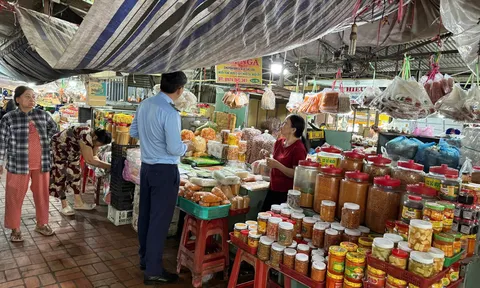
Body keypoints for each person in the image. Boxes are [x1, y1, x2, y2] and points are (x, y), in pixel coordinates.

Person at [130, 71, 193, 285]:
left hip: (147, 168)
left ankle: (145, 260)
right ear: (180, 89)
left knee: (147, 217)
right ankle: (153, 271)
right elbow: (175, 148)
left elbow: (134, 131)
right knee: (159, 222)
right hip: (165, 171)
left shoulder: (145, 104)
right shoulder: (170, 112)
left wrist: (151, 138)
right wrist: (188, 147)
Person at [0, 86, 58, 242]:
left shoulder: (43, 115)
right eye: (27, 96)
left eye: (33, 96)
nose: (32, 99)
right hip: (17, 164)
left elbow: (54, 128)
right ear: (18, 99)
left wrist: (45, 139)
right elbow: (2, 142)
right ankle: (15, 228)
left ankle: (42, 223)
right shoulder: (9, 118)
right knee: (14, 196)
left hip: (42, 164)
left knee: (42, 196)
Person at [49, 127, 112, 216]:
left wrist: (96, 149)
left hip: (72, 150)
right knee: (61, 174)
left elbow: (94, 155)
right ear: (95, 138)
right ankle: (64, 205)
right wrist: (110, 166)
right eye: (100, 144)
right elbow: (89, 160)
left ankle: (78, 203)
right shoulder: (85, 137)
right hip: (60, 147)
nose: (99, 146)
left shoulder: (93, 137)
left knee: (76, 173)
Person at [263, 114, 308, 211]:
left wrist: (277, 165)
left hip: (285, 193)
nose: (281, 125)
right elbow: (277, 161)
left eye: (285, 123)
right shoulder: (279, 142)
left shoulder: (298, 148)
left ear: (293, 130)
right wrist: (268, 156)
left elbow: (296, 174)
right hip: (273, 188)